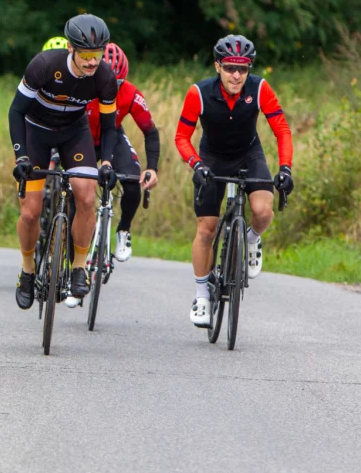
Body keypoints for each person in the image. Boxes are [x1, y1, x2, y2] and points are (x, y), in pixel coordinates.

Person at [175, 34, 294, 327]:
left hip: (248, 154)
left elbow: (282, 130)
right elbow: (181, 137)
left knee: (264, 211)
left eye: (243, 68)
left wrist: (286, 168)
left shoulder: (260, 88)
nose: (237, 75)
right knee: (207, 228)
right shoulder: (199, 93)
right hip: (211, 158)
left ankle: (251, 240)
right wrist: (196, 164)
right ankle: (202, 295)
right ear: (218, 66)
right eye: (230, 68)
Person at [9, 14, 119, 310]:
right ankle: (28, 270)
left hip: (74, 133)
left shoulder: (105, 78)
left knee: (85, 194)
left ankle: (79, 266)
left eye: (97, 55)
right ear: (71, 48)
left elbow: (109, 127)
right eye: (85, 55)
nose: (92, 62)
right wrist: (20, 155)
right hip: (36, 132)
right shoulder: (44, 65)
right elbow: (15, 112)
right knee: (31, 212)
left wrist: (106, 162)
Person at [83, 42, 160, 264]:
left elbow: (150, 132)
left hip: (112, 136)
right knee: (75, 191)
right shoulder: (81, 87)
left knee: (132, 180)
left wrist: (152, 168)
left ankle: (123, 230)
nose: (110, 87)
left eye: (117, 83)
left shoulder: (131, 94)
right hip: (82, 138)